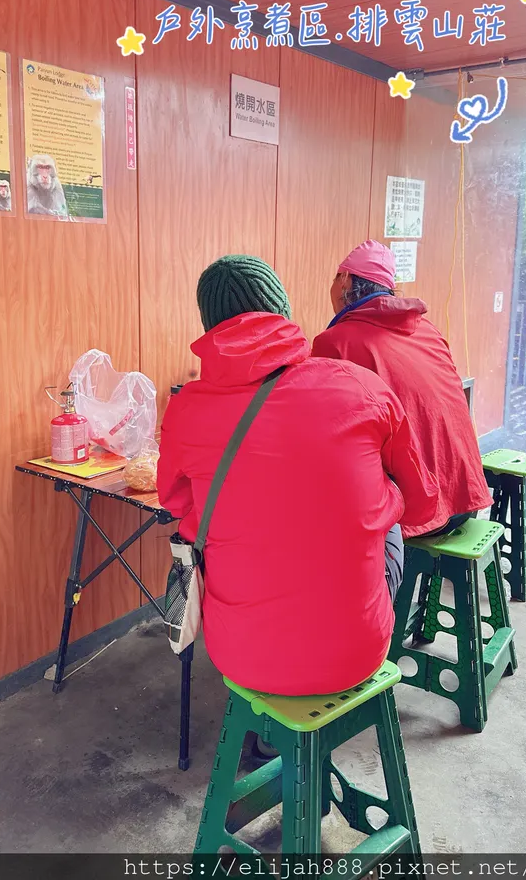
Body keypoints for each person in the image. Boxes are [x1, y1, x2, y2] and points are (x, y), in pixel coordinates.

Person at [157, 255, 439, 697]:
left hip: (239, 656)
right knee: (387, 532)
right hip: (358, 653)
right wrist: (375, 497)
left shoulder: (185, 409)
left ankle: (269, 734)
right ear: (281, 310)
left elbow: (175, 502)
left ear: (209, 325)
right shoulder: (360, 386)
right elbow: (422, 504)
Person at [312, 240, 492, 538]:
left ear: (345, 280)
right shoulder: (427, 329)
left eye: (335, 278)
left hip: (417, 516)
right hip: (466, 497)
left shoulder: (335, 342)